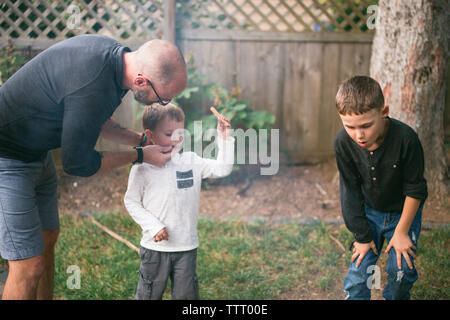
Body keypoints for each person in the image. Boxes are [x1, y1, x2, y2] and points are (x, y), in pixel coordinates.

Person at [0, 34, 187, 299]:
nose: (162, 104)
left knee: (47, 238)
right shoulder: (92, 83)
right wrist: (140, 155)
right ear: (141, 81)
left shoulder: (113, 60)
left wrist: (139, 139)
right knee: (28, 265)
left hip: (35, 153)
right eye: (163, 98)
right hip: (7, 158)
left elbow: (91, 117)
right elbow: (78, 163)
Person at [124, 103, 234, 300]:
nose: (177, 139)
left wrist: (225, 138)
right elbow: (131, 202)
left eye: (180, 133)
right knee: (148, 295)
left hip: (186, 247)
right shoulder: (142, 167)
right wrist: (154, 227)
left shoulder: (191, 161)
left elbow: (222, 169)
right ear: (151, 135)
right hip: (155, 249)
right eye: (169, 134)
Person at [333, 76, 427, 300]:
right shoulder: (343, 142)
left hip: (402, 214)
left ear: (384, 111)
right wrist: (363, 238)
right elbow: (350, 192)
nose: (359, 135)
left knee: (400, 272)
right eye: (350, 127)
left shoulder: (406, 139)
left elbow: (416, 189)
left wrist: (402, 232)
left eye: (366, 125)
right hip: (368, 213)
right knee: (358, 275)